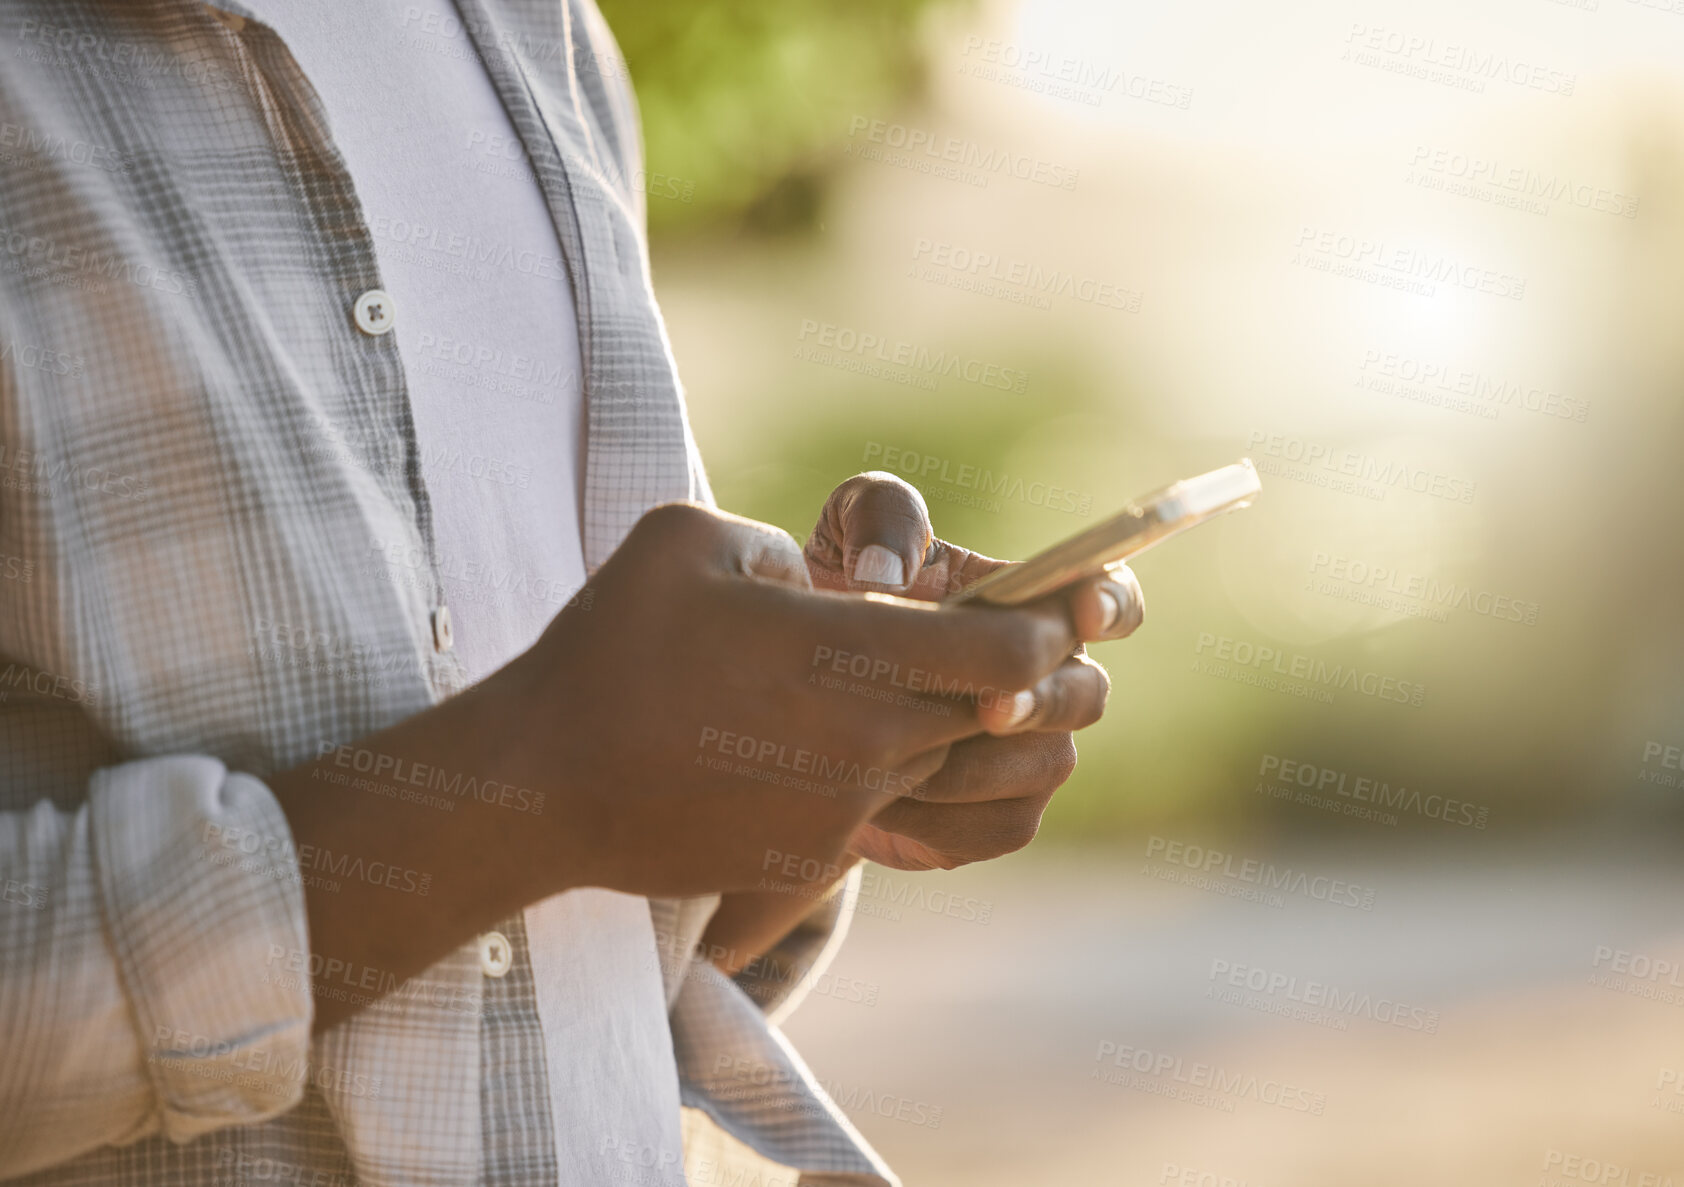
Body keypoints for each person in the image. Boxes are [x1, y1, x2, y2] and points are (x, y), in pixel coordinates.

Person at [0, 2, 1142, 1183]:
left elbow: (559, 962)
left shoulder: (541, 38)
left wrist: (790, 766)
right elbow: (538, 796)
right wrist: (528, 795)